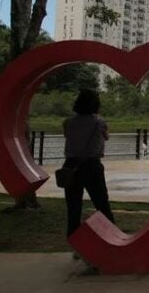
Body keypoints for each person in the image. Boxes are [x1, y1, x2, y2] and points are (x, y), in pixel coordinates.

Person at [62, 89, 115, 240]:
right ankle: (111, 238)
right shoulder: (100, 122)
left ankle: (74, 240)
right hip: (92, 165)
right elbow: (106, 137)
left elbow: (68, 136)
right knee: (102, 204)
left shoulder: (68, 122)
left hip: (71, 165)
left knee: (73, 207)